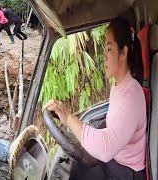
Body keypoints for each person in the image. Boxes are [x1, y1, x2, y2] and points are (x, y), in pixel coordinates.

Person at [45, 18, 145, 180]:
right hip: (116, 160)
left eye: (109, 49)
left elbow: (106, 148)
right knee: (78, 167)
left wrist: (69, 118)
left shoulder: (132, 95)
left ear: (123, 53)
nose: (104, 56)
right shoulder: (118, 87)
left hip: (127, 172)